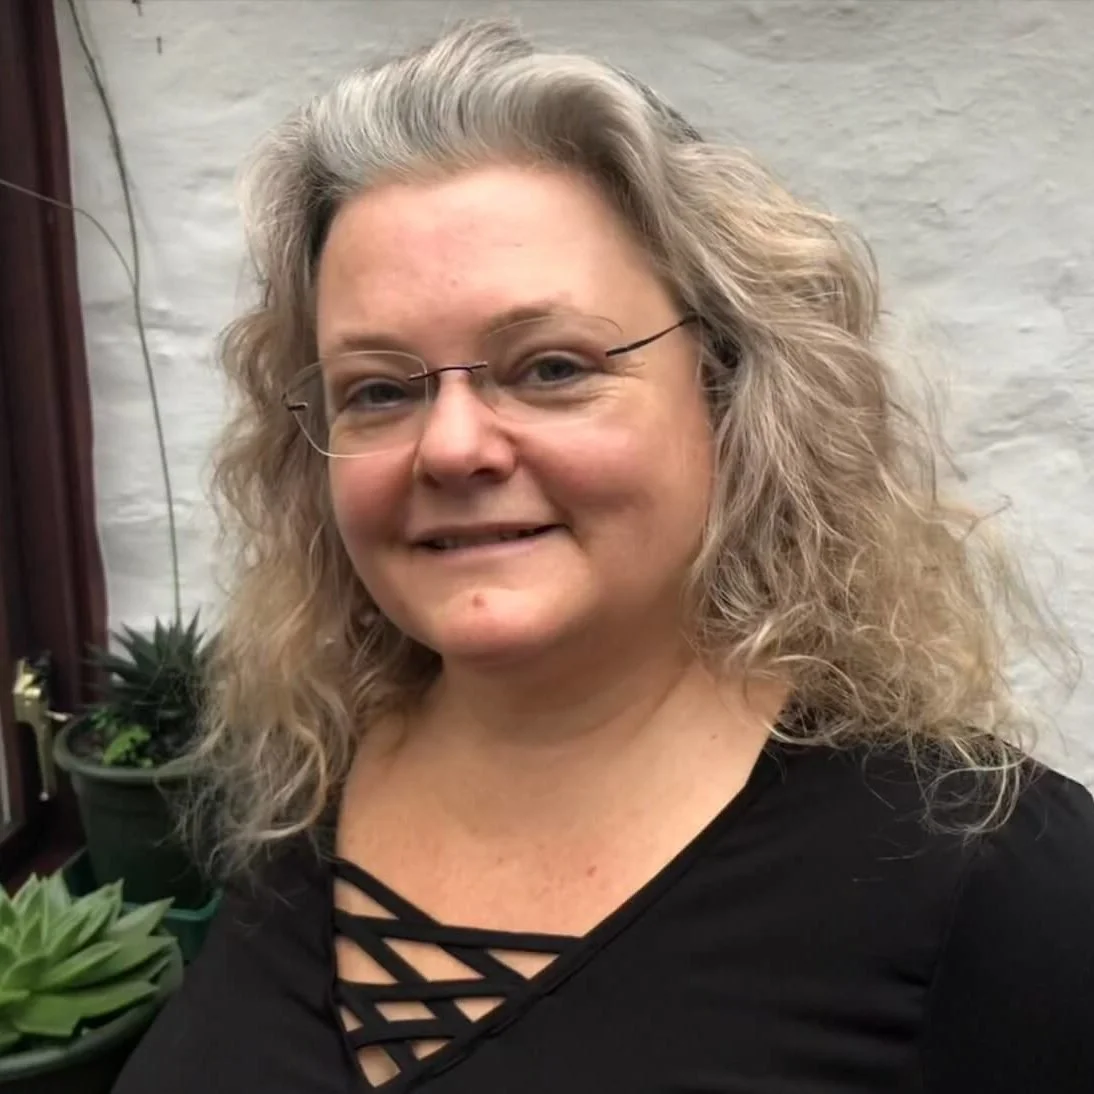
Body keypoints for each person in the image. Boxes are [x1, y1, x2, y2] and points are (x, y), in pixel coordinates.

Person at [114, 18, 1094, 1094]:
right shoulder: (301, 777)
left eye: (548, 366)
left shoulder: (988, 881)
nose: (450, 445)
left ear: (726, 392)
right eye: (380, 388)